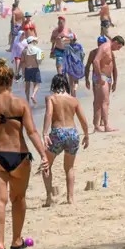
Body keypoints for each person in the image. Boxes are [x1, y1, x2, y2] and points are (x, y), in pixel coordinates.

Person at [0, 58, 48, 249]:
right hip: (19, 156)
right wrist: (43, 154)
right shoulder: (20, 103)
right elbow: (32, 131)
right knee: (18, 199)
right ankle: (16, 241)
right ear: (10, 81)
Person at [41, 73, 89, 206]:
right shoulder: (74, 100)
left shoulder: (51, 98)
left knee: (46, 165)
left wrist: (45, 133)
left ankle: (49, 197)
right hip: (73, 133)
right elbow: (83, 120)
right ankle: (70, 198)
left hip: (58, 133)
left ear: (53, 85)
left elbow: (49, 114)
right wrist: (86, 135)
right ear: (66, 85)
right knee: (69, 167)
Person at [89, 35, 124, 132]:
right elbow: (96, 61)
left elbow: (114, 67)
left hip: (107, 78)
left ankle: (96, 125)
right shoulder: (104, 47)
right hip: (102, 77)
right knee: (105, 102)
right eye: (119, 47)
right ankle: (106, 125)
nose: (118, 49)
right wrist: (100, 77)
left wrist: (114, 81)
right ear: (115, 42)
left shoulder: (109, 50)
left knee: (99, 102)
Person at [22, 36, 43, 107]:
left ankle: (27, 101)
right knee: (37, 83)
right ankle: (33, 95)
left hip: (27, 69)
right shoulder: (37, 49)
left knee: (27, 86)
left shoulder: (24, 50)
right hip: (35, 68)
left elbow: (22, 62)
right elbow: (39, 60)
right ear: (32, 41)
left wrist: (19, 72)